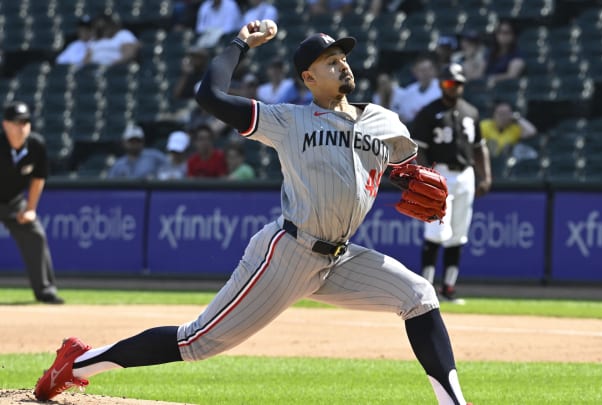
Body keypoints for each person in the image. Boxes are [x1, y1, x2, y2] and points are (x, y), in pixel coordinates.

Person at [34, 22, 472, 405]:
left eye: (342, 57)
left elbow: (399, 169)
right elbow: (210, 95)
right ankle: (79, 361)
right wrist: (240, 44)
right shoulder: (289, 119)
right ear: (308, 77)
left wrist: (407, 177)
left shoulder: (385, 122)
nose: (342, 64)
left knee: (419, 296)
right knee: (196, 342)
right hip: (288, 254)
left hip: (340, 258)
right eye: (329, 60)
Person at [411, 64, 492, 304]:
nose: (453, 87)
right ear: (440, 85)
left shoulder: (471, 112)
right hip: (440, 173)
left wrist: (485, 176)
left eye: (456, 83)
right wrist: (427, 176)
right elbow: (420, 150)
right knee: (435, 232)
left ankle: (449, 288)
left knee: (458, 234)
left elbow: (480, 148)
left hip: (465, 174)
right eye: (448, 83)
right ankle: (426, 288)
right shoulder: (429, 112)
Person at [0, 101, 63, 304]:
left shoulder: (36, 145)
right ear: (5, 125)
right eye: (17, 122)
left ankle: (45, 291)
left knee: (35, 235)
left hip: (14, 201)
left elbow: (38, 178)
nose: (22, 127)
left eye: (26, 122)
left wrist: (30, 209)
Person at [396, 53, 442, 124]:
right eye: (422, 70)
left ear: (434, 71)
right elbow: (402, 116)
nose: (425, 73)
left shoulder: (442, 88)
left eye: (428, 69)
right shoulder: (408, 91)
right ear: (415, 72)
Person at [482, 20, 525, 87]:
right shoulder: (490, 53)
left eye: (506, 33)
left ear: (513, 35)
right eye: (500, 32)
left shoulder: (517, 54)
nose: (503, 36)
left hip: (507, 89)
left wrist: (493, 79)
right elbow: (479, 73)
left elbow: (512, 76)